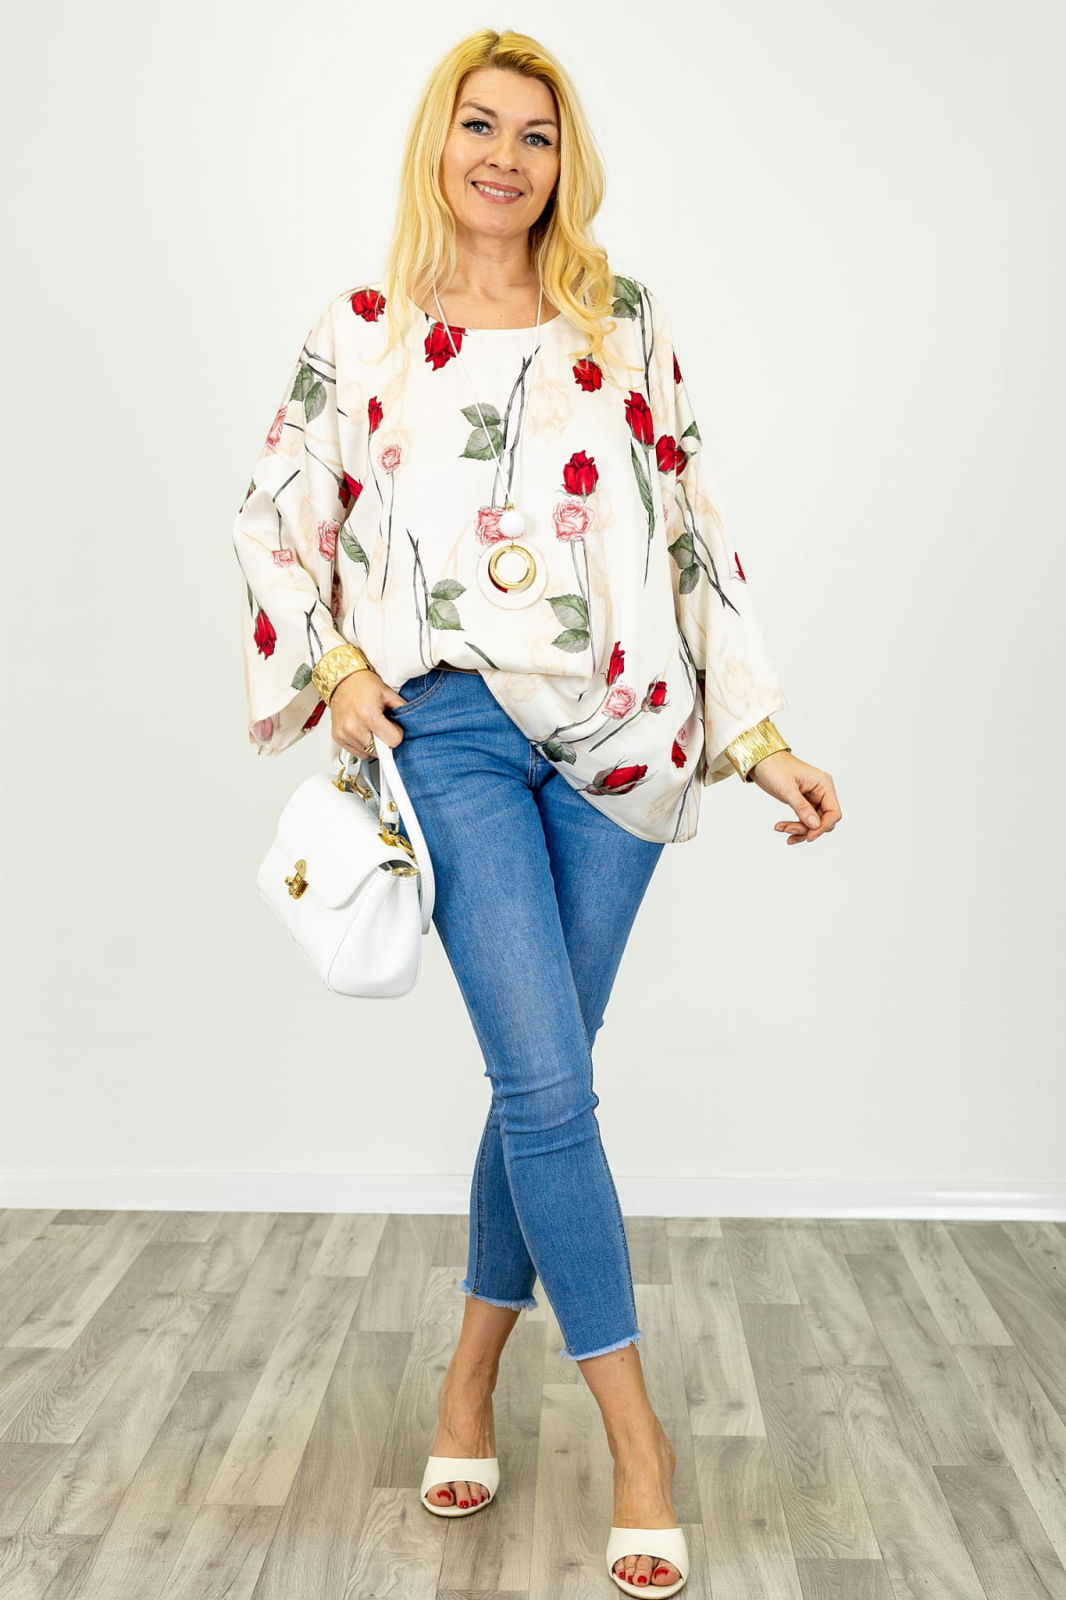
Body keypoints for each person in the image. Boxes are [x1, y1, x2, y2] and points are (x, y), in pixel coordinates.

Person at [232, 29, 841, 1596]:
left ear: (566, 162)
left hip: (627, 738)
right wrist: (338, 663)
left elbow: (692, 523)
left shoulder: (618, 321)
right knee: (551, 1087)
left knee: (540, 1081)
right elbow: (273, 511)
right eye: (480, 126)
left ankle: (466, 1380)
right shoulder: (362, 332)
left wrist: (757, 733)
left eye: (536, 135)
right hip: (448, 728)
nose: (505, 158)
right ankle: (641, 1446)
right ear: (436, 144)